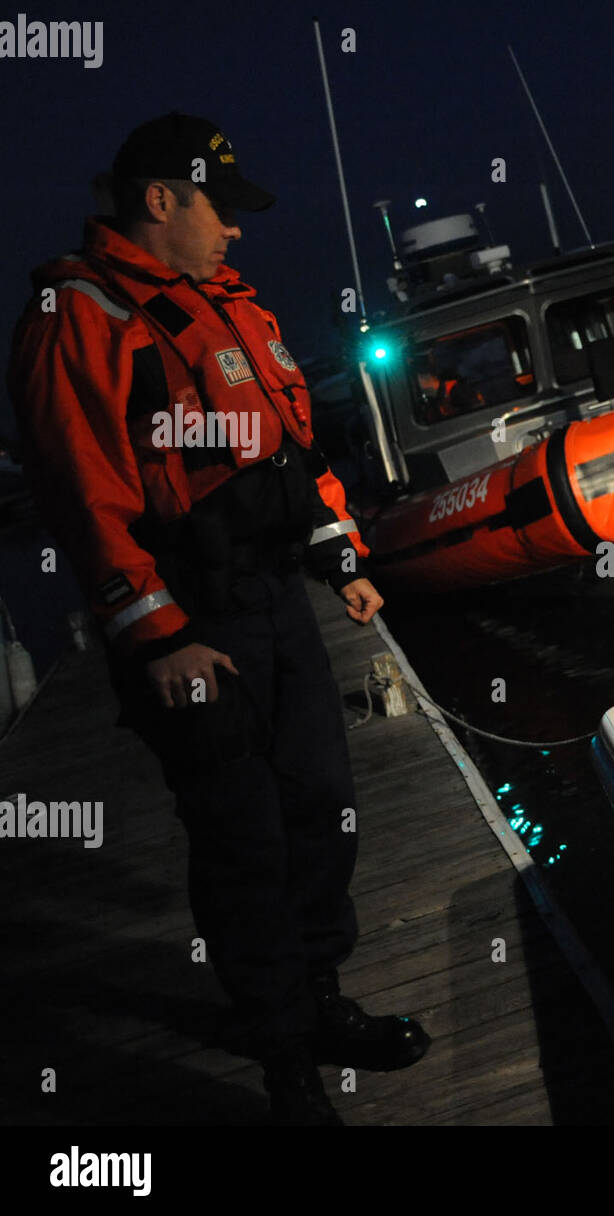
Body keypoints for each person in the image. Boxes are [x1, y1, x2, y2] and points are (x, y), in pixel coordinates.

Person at [7, 113, 430, 1124]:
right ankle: (285, 1066)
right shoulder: (82, 318)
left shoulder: (230, 308)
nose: (236, 232)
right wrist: (155, 633)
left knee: (322, 811)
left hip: (274, 601)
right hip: (191, 625)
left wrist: (338, 556)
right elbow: (85, 499)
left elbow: (289, 449)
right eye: (221, 210)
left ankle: (316, 999)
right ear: (161, 199)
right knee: (246, 844)